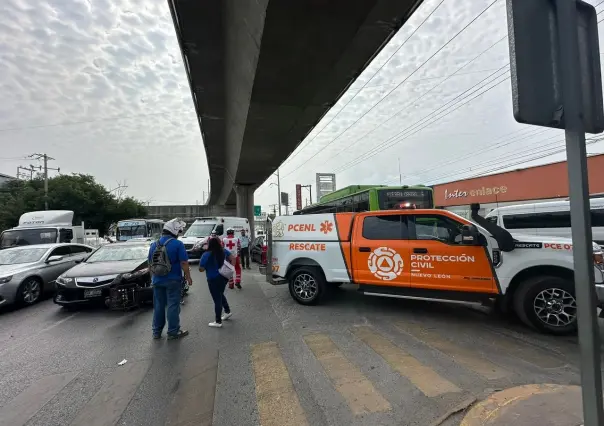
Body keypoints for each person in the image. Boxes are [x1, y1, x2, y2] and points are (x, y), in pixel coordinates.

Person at [148, 218, 192, 340]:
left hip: (157, 280)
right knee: (173, 305)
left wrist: (153, 279)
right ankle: (173, 331)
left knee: (159, 306)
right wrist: (188, 277)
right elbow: (184, 263)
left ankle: (156, 332)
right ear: (174, 231)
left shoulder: (154, 245)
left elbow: (149, 264)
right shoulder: (177, 244)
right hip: (173, 280)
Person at [199, 237, 235, 328]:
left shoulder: (206, 255)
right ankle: (227, 311)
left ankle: (218, 321)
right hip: (223, 277)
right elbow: (233, 258)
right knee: (220, 294)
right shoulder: (223, 251)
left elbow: (201, 269)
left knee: (217, 299)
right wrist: (231, 267)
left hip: (212, 279)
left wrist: (207, 266)